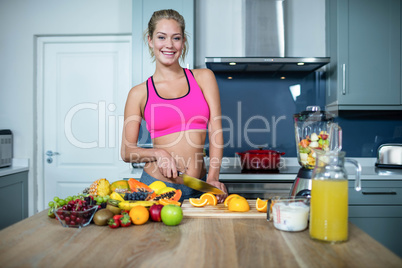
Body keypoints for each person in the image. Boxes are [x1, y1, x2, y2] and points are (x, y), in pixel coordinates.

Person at [121, 9, 228, 203]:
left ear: (183, 42)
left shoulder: (204, 78)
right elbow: (127, 152)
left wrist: (213, 176)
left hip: (200, 185)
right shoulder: (139, 93)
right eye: (161, 37)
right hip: (157, 187)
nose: (169, 45)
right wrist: (158, 153)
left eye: (176, 38)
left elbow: (216, 129)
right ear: (150, 40)